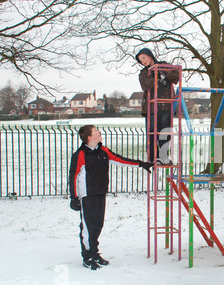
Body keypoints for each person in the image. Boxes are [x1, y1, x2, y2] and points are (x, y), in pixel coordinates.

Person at [69, 125, 153, 270]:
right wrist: (74, 197)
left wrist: (141, 164)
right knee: (88, 227)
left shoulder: (103, 151)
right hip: (87, 195)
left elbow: (120, 159)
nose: (99, 132)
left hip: (101, 192)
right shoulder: (80, 154)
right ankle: (87, 256)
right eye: (96, 131)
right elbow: (73, 176)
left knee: (97, 225)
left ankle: (94, 253)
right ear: (89, 137)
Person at [136, 48, 179, 164]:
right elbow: (145, 85)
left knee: (165, 131)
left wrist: (163, 72)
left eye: (144, 58)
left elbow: (176, 75)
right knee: (152, 132)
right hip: (151, 107)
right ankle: (152, 158)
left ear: (150, 55)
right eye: (141, 61)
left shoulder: (163, 65)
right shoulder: (144, 73)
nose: (143, 62)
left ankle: (164, 157)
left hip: (165, 105)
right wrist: (158, 77)